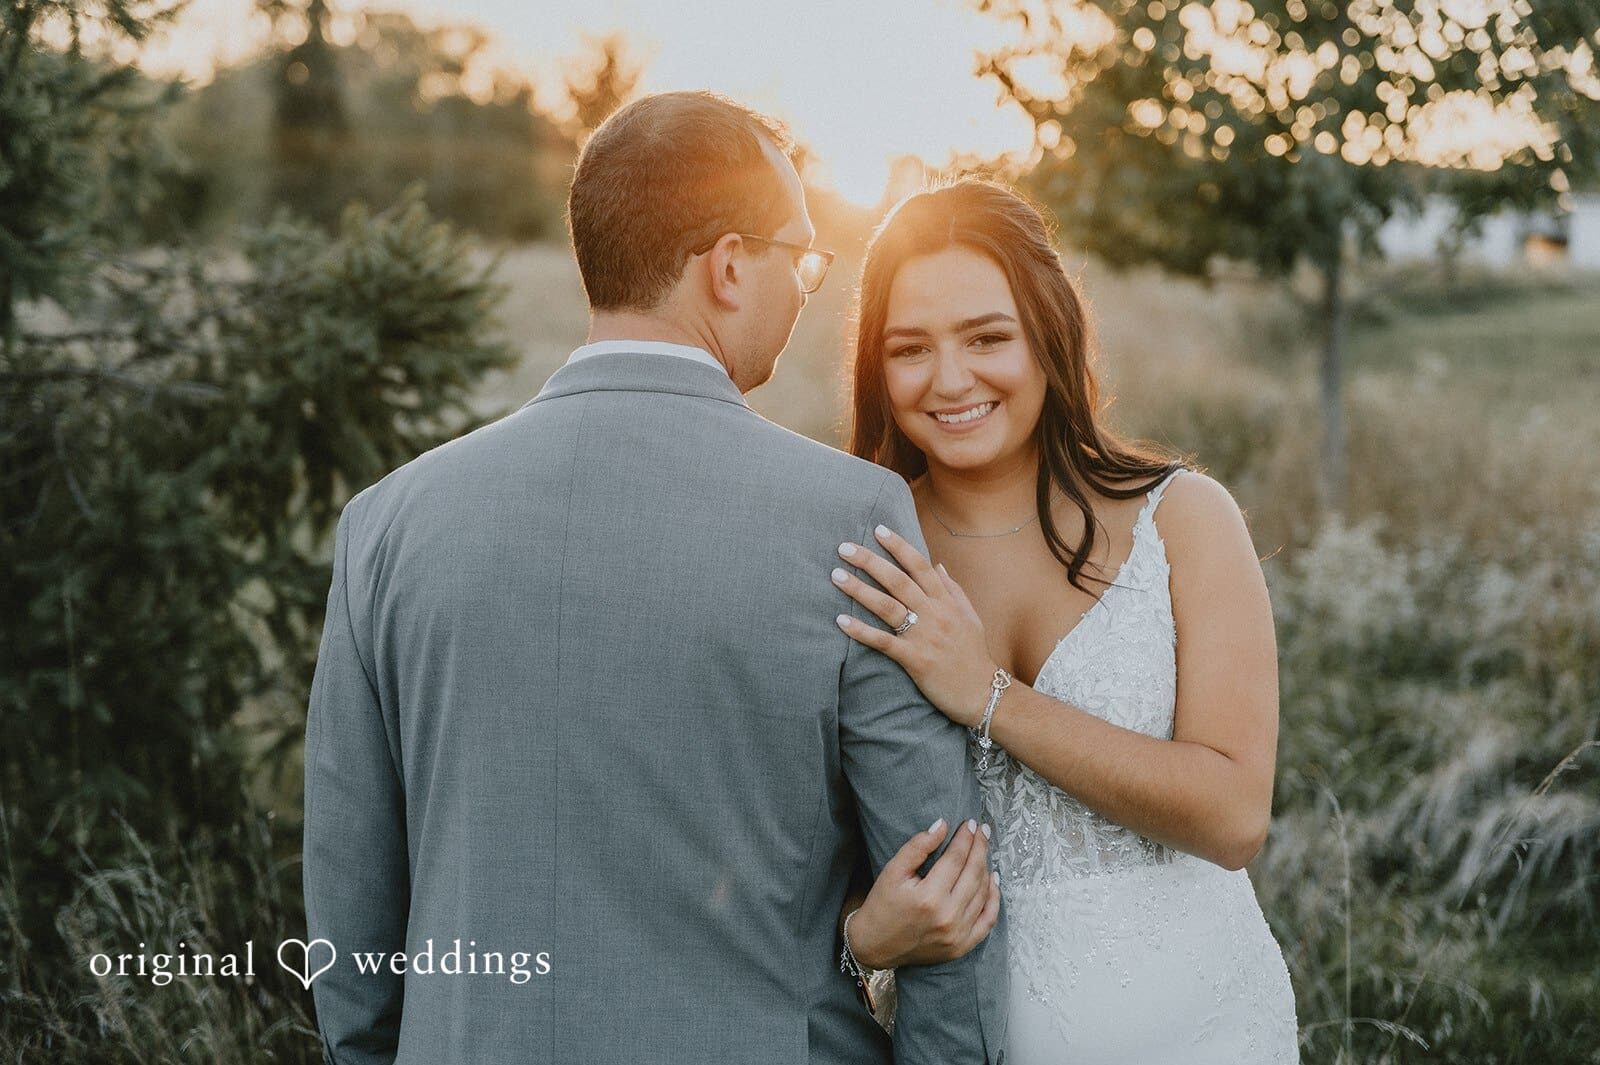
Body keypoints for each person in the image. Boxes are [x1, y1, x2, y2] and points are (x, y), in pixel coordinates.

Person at [301, 92, 1007, 1065]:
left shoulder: (387, 526)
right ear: (727, 266)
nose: (806, 288)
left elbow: (349, 935)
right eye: (799, 258)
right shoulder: (851, 519)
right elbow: (949, 889)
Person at [830, 179, 1298, 1062]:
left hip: (1203, 1027)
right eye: (910, 349)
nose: (951, 379)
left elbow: (1235, 812)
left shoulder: (1184, 520)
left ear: (1049, 334)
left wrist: (989, 697)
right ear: (876, 368)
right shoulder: (867, 550)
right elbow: (809, 840)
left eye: (986, 337)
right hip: (961, 1037)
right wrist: (866, 936)